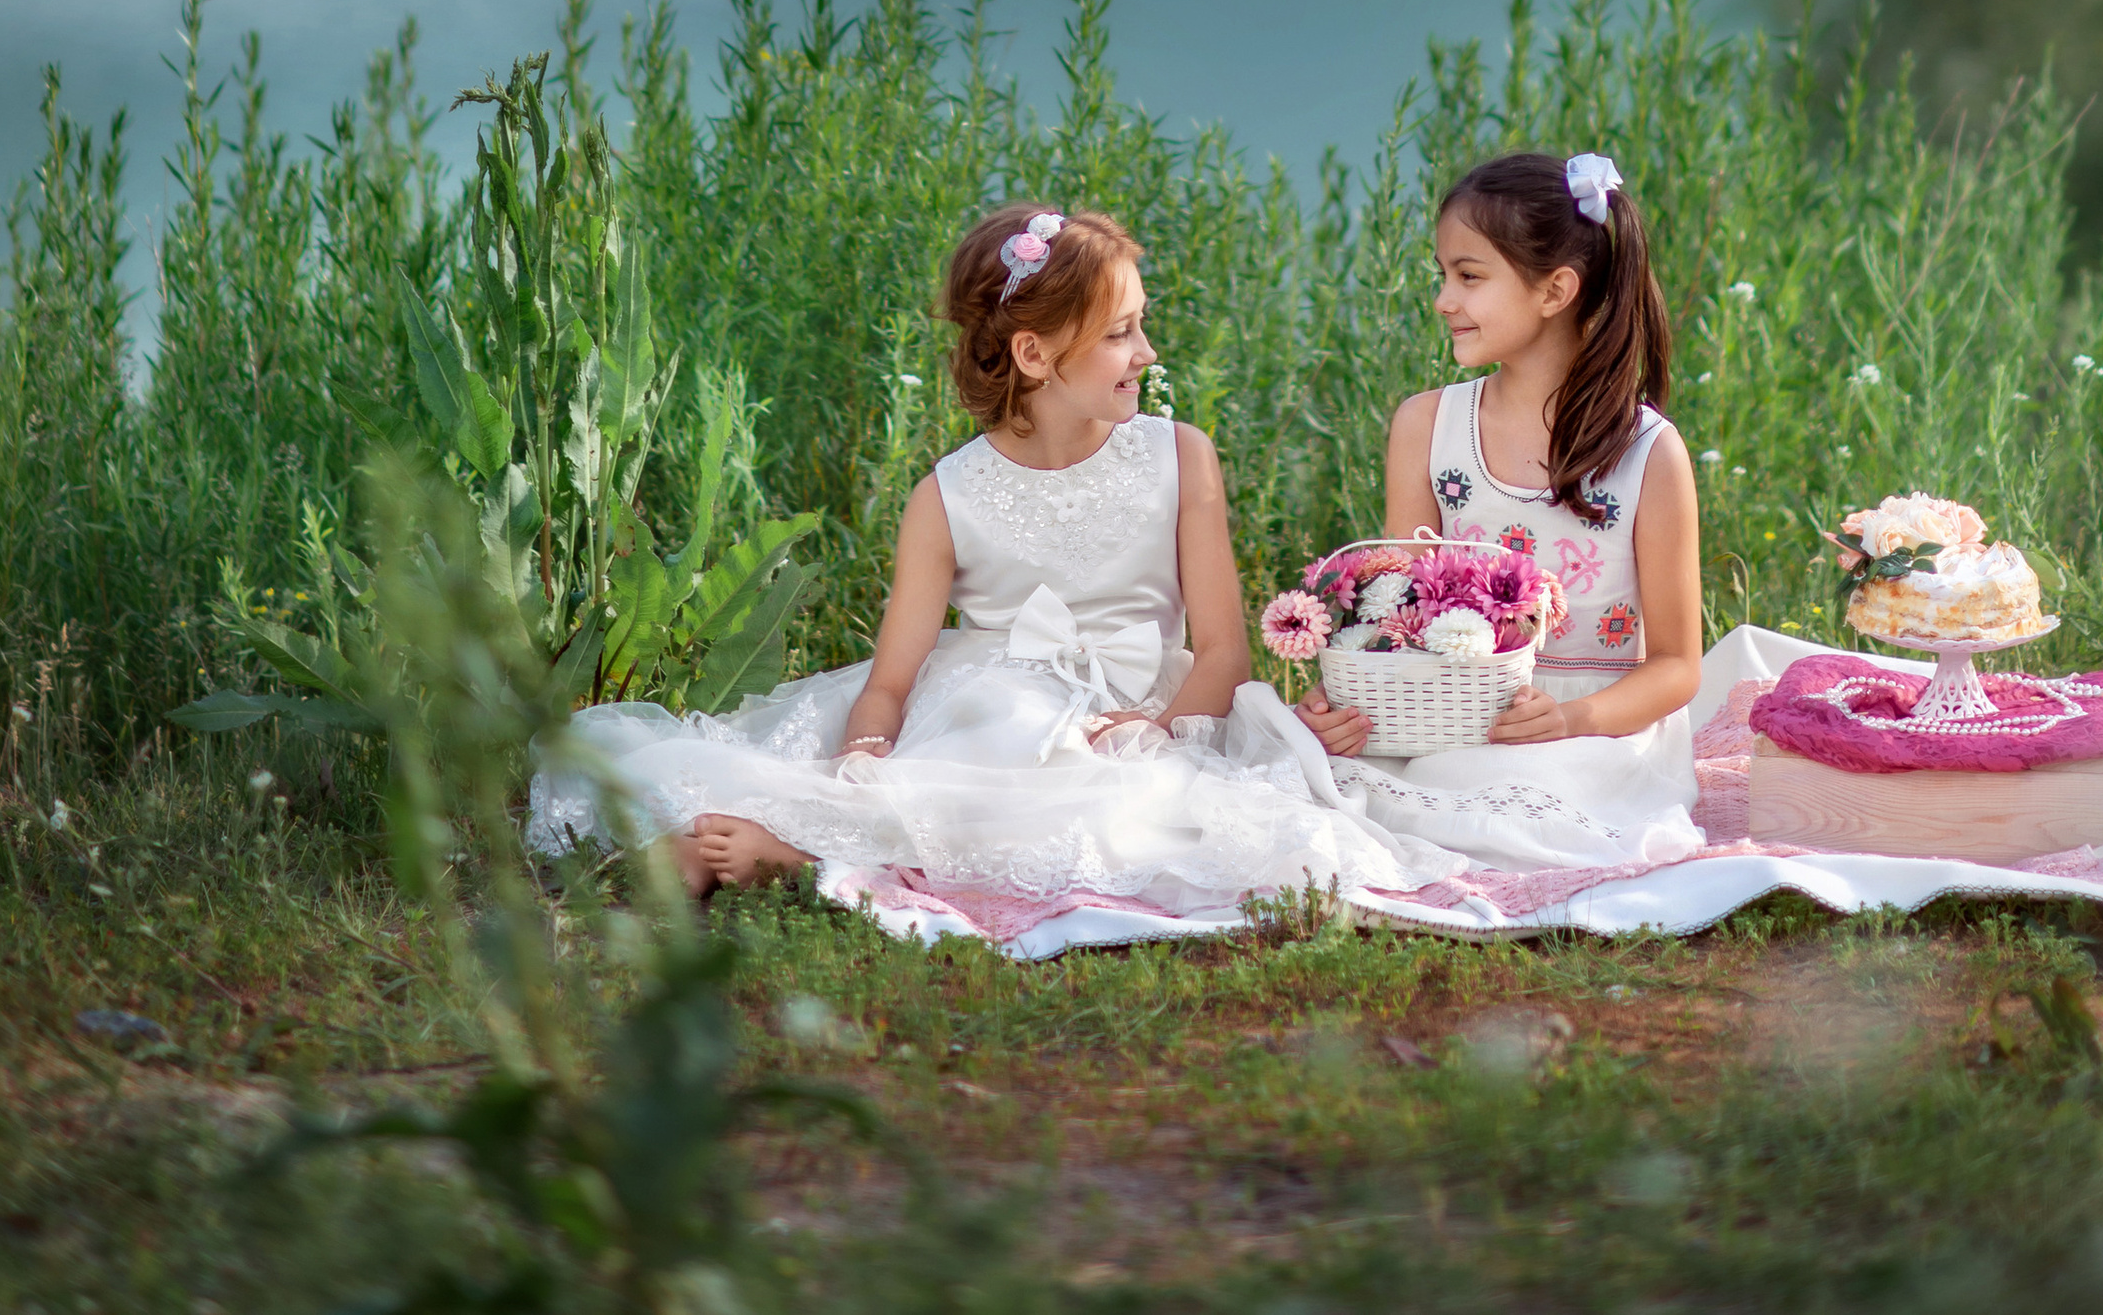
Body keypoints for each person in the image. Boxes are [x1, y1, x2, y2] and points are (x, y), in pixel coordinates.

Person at [533, 181, 1703, 927]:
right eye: (1124, 332)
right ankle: (800, 836)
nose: (1147, 353)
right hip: (995, 698)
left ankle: (800, 853)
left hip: (1163, 704)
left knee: (1115, 793)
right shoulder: (947, 497)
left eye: (1464, 275)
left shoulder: (1178, 458)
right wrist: (868, 752)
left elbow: (1227, 648)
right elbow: (891, 678)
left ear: (1556, 290)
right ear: (1035, 356)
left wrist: (1162, 724)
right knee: (992, 744)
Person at [1298, 149, 1700, 759]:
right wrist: (1340, 696)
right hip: (1451, 726)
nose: (1443, 299)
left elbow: (1676, 665)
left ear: (1555, 290)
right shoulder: (1427, 426)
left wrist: (1570, 719)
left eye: (1469, 276)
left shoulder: (1647, 451)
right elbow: (1398, 617)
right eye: (1442, 275)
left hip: (1597, 741)